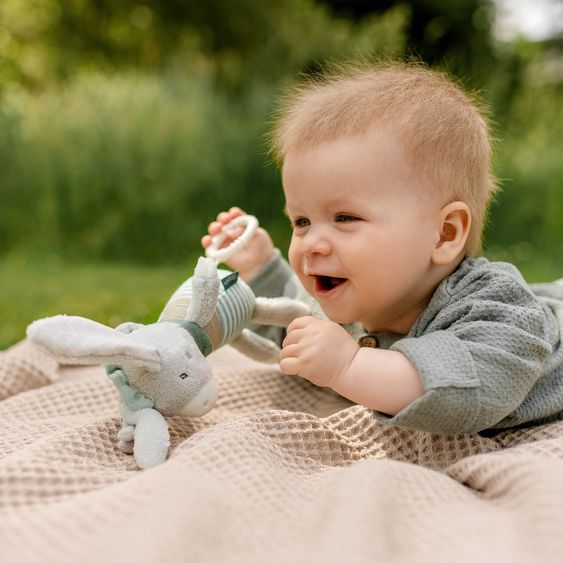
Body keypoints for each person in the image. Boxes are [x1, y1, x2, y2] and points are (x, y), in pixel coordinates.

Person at [202, 62, 563, 435]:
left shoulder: (497, 309)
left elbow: (469, 389)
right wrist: (261, 269)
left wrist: (348, 367)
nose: (310, 243)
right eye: (301, 221)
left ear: (444, 234)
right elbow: (297, 332)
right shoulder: (354, 300)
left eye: (345, 218)